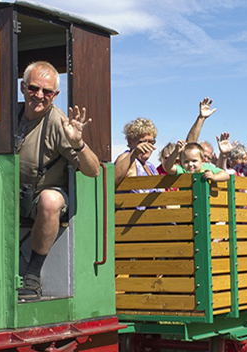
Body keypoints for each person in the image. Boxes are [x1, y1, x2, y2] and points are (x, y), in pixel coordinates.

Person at [15, 61, 100, 301]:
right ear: (23, 87)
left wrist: (78, 144)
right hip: (10, 196)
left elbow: (93, 170)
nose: (39, 95)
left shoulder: (58, 123)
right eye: (33, 88)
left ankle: (32, 277)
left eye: (47, 91)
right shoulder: (9, 116)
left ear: (55, 95)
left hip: (40, 201)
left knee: (50, 200)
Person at [113, 117, 158, 186]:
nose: (147, 146)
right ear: (130, 142)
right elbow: (112, 180)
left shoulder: (151, 167)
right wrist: (134, 153)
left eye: (151, 142)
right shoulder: (127, 158)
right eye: (142, 142)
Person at [162, 141, 230, 182]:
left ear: (202, 160)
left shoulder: (206, 167)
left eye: (194, 161)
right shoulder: (183, 170)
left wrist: (214, 177)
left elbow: (226, 175)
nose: (190, 164)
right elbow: (168, 167)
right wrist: (175, 152)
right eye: (186, 162)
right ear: (181, 162)